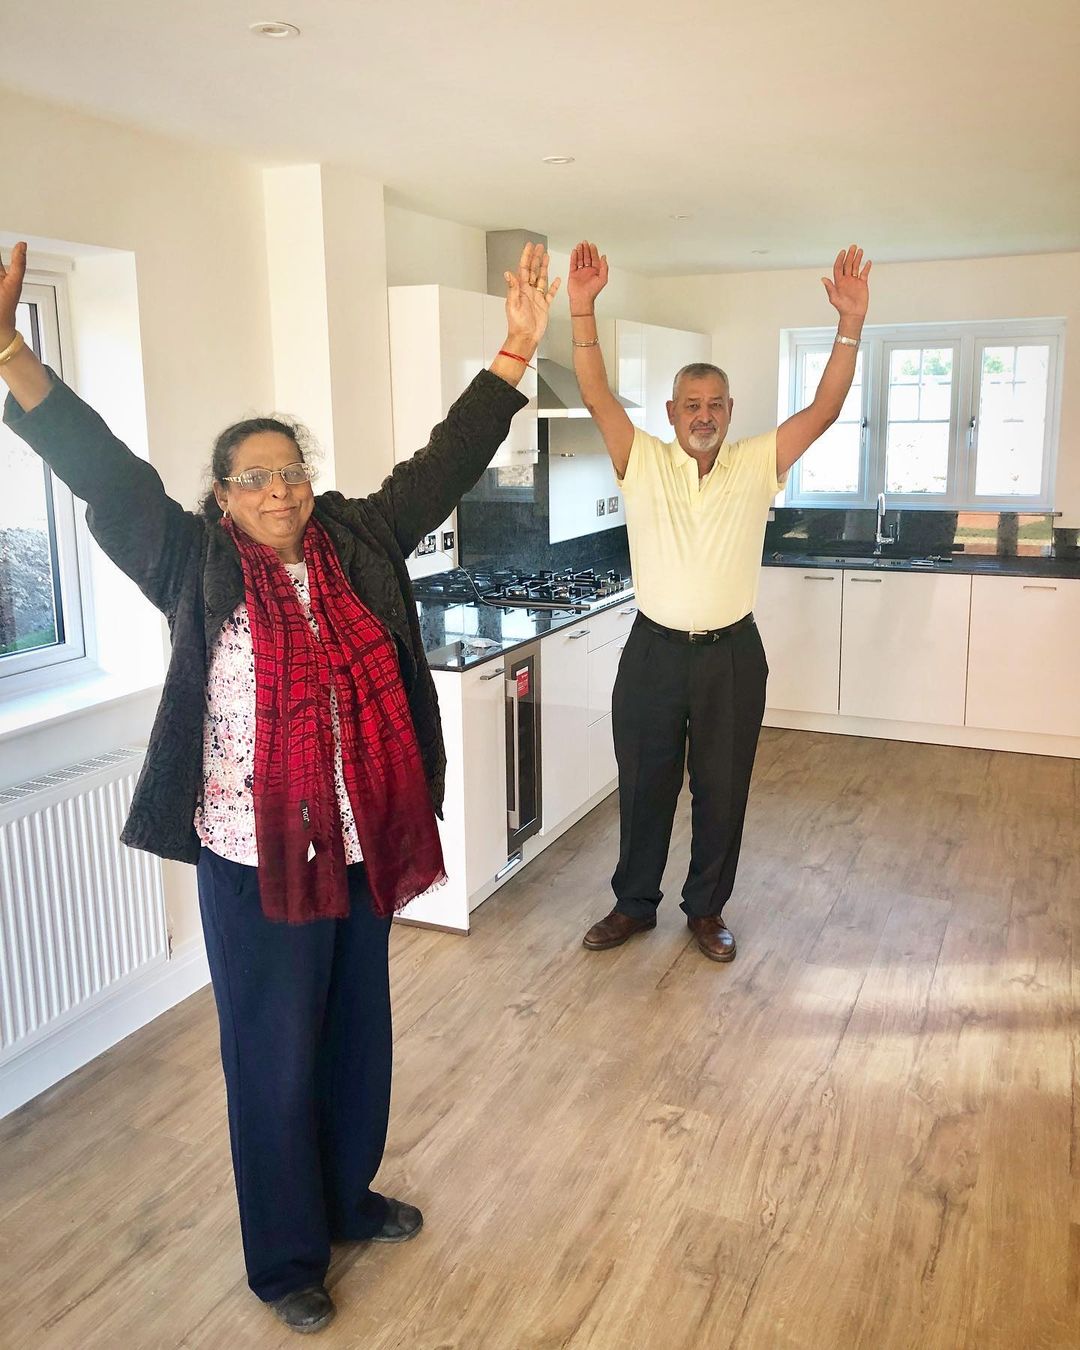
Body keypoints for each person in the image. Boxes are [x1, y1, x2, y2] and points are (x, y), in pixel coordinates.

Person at [0, 240, 559, 1334]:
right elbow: (106, 474)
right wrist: (15, 356)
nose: (281, 489)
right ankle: (287, 1259)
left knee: (356, 1033)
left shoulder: (358, 539)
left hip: (357, 843)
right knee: (272, 1058)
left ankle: (347, 1198)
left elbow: (444, 460)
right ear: (222, 495)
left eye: (292, 470)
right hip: (253, 859)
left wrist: (515, 351)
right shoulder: (190, 560)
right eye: (255, 477)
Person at [567, 240, 870, 962]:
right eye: (691, 405)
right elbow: (597, 395)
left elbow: (826, 409)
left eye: (714, 405)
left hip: (731, 655)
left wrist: (850, 325)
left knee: (722, 789)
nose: (702, 415)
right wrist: (581, 309)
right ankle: (634, 905)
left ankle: (706, 910)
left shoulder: (756, 462)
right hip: (652, 652)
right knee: (644, 785)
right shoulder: (641, 458)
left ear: (730, 411)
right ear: (671, 411)